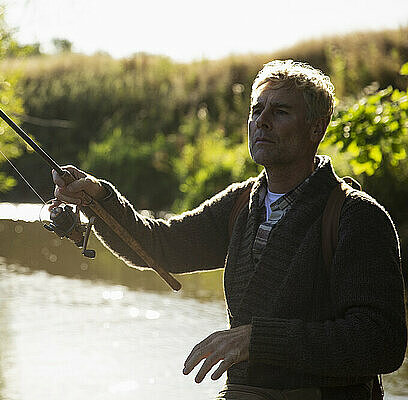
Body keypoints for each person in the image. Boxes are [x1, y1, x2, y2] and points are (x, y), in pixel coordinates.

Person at [51, 60, 407, 399]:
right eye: (256, 109)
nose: (262, 121)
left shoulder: (356, 217)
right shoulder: (239, 204)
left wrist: (254, 340)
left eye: (280, 112)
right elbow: (158, 246)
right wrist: (98, 199)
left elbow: (382, 342)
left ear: (317, 127)